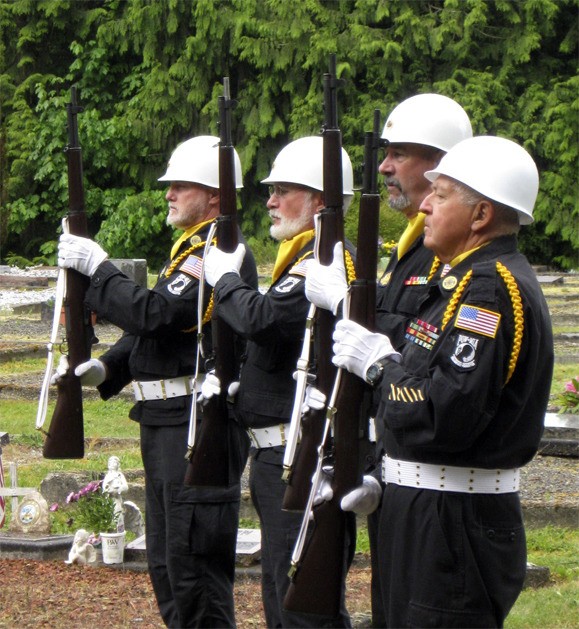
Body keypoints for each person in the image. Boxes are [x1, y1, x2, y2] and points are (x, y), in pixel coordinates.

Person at [317, 135, 554, 627]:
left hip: (453, 524)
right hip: (428, 509)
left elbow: (445, 411)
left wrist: (380, 366)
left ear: (481, 215)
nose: (424, 204)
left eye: (441, 195)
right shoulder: (460, 282)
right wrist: (387, 471)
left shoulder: (490, 289)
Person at [56, 135, 258, 628]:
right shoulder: (189, 248)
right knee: (169, 566)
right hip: (164, 422)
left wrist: (98, 269)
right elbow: (157, 336)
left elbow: (156, 312)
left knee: (194, 572)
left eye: (182, 186)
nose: (169, 193)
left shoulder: (215, 250)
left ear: (215, 195)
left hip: (193, 426)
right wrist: (108, 367)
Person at [305, 93, 473, 627]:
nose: (384, 166)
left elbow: (418, 348)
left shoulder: (449, 254)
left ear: (443, 165)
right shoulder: (410, 247)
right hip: (397, 466)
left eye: (400, 153)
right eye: (386, 153)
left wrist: (347, 305)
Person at [201, 136, 356, 628]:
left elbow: (265, 320)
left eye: (282, 190)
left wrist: (226, 282)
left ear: (318, 201)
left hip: (301, 454)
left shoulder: (324, 261)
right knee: (280, 595)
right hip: (276, 454)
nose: (269, 201)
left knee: (302, 601)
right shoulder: (299, 256)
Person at [102, 455, 129, 531]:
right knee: (108, 518)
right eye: (110, 462)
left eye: (114, 462)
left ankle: (119, 534)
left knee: (118, 515)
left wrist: (117, 491)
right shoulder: (107, 476)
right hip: (108, 500)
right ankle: (110, 534)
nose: (112, 464)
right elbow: (104, 487)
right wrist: (107, 490)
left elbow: (126, 487)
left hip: (116, 500)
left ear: (118, 464)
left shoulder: (120, 475)